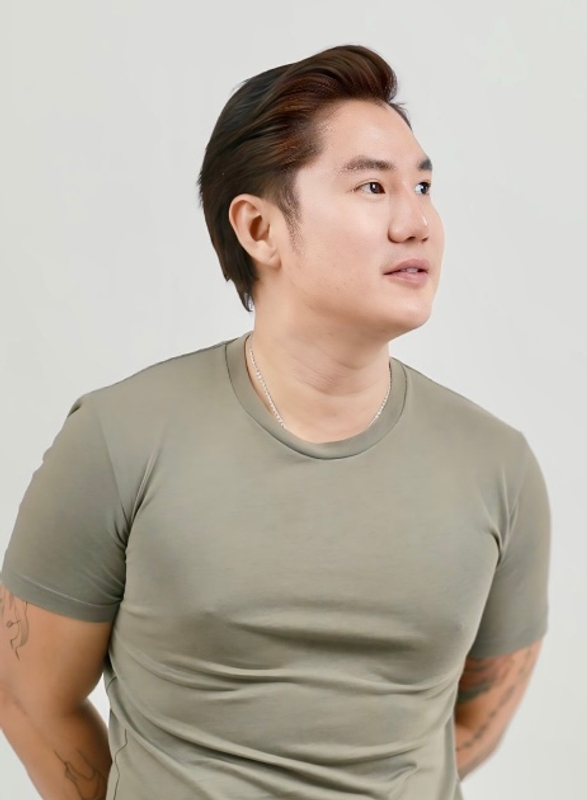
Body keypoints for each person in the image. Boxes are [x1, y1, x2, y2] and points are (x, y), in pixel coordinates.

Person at [0, 44, 550, 800]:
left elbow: (477, 720)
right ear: (259, 229)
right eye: (372, 186)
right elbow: (30, 698)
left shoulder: (497, 466)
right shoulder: (118, 438)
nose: (417, 221)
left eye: (423, 186)